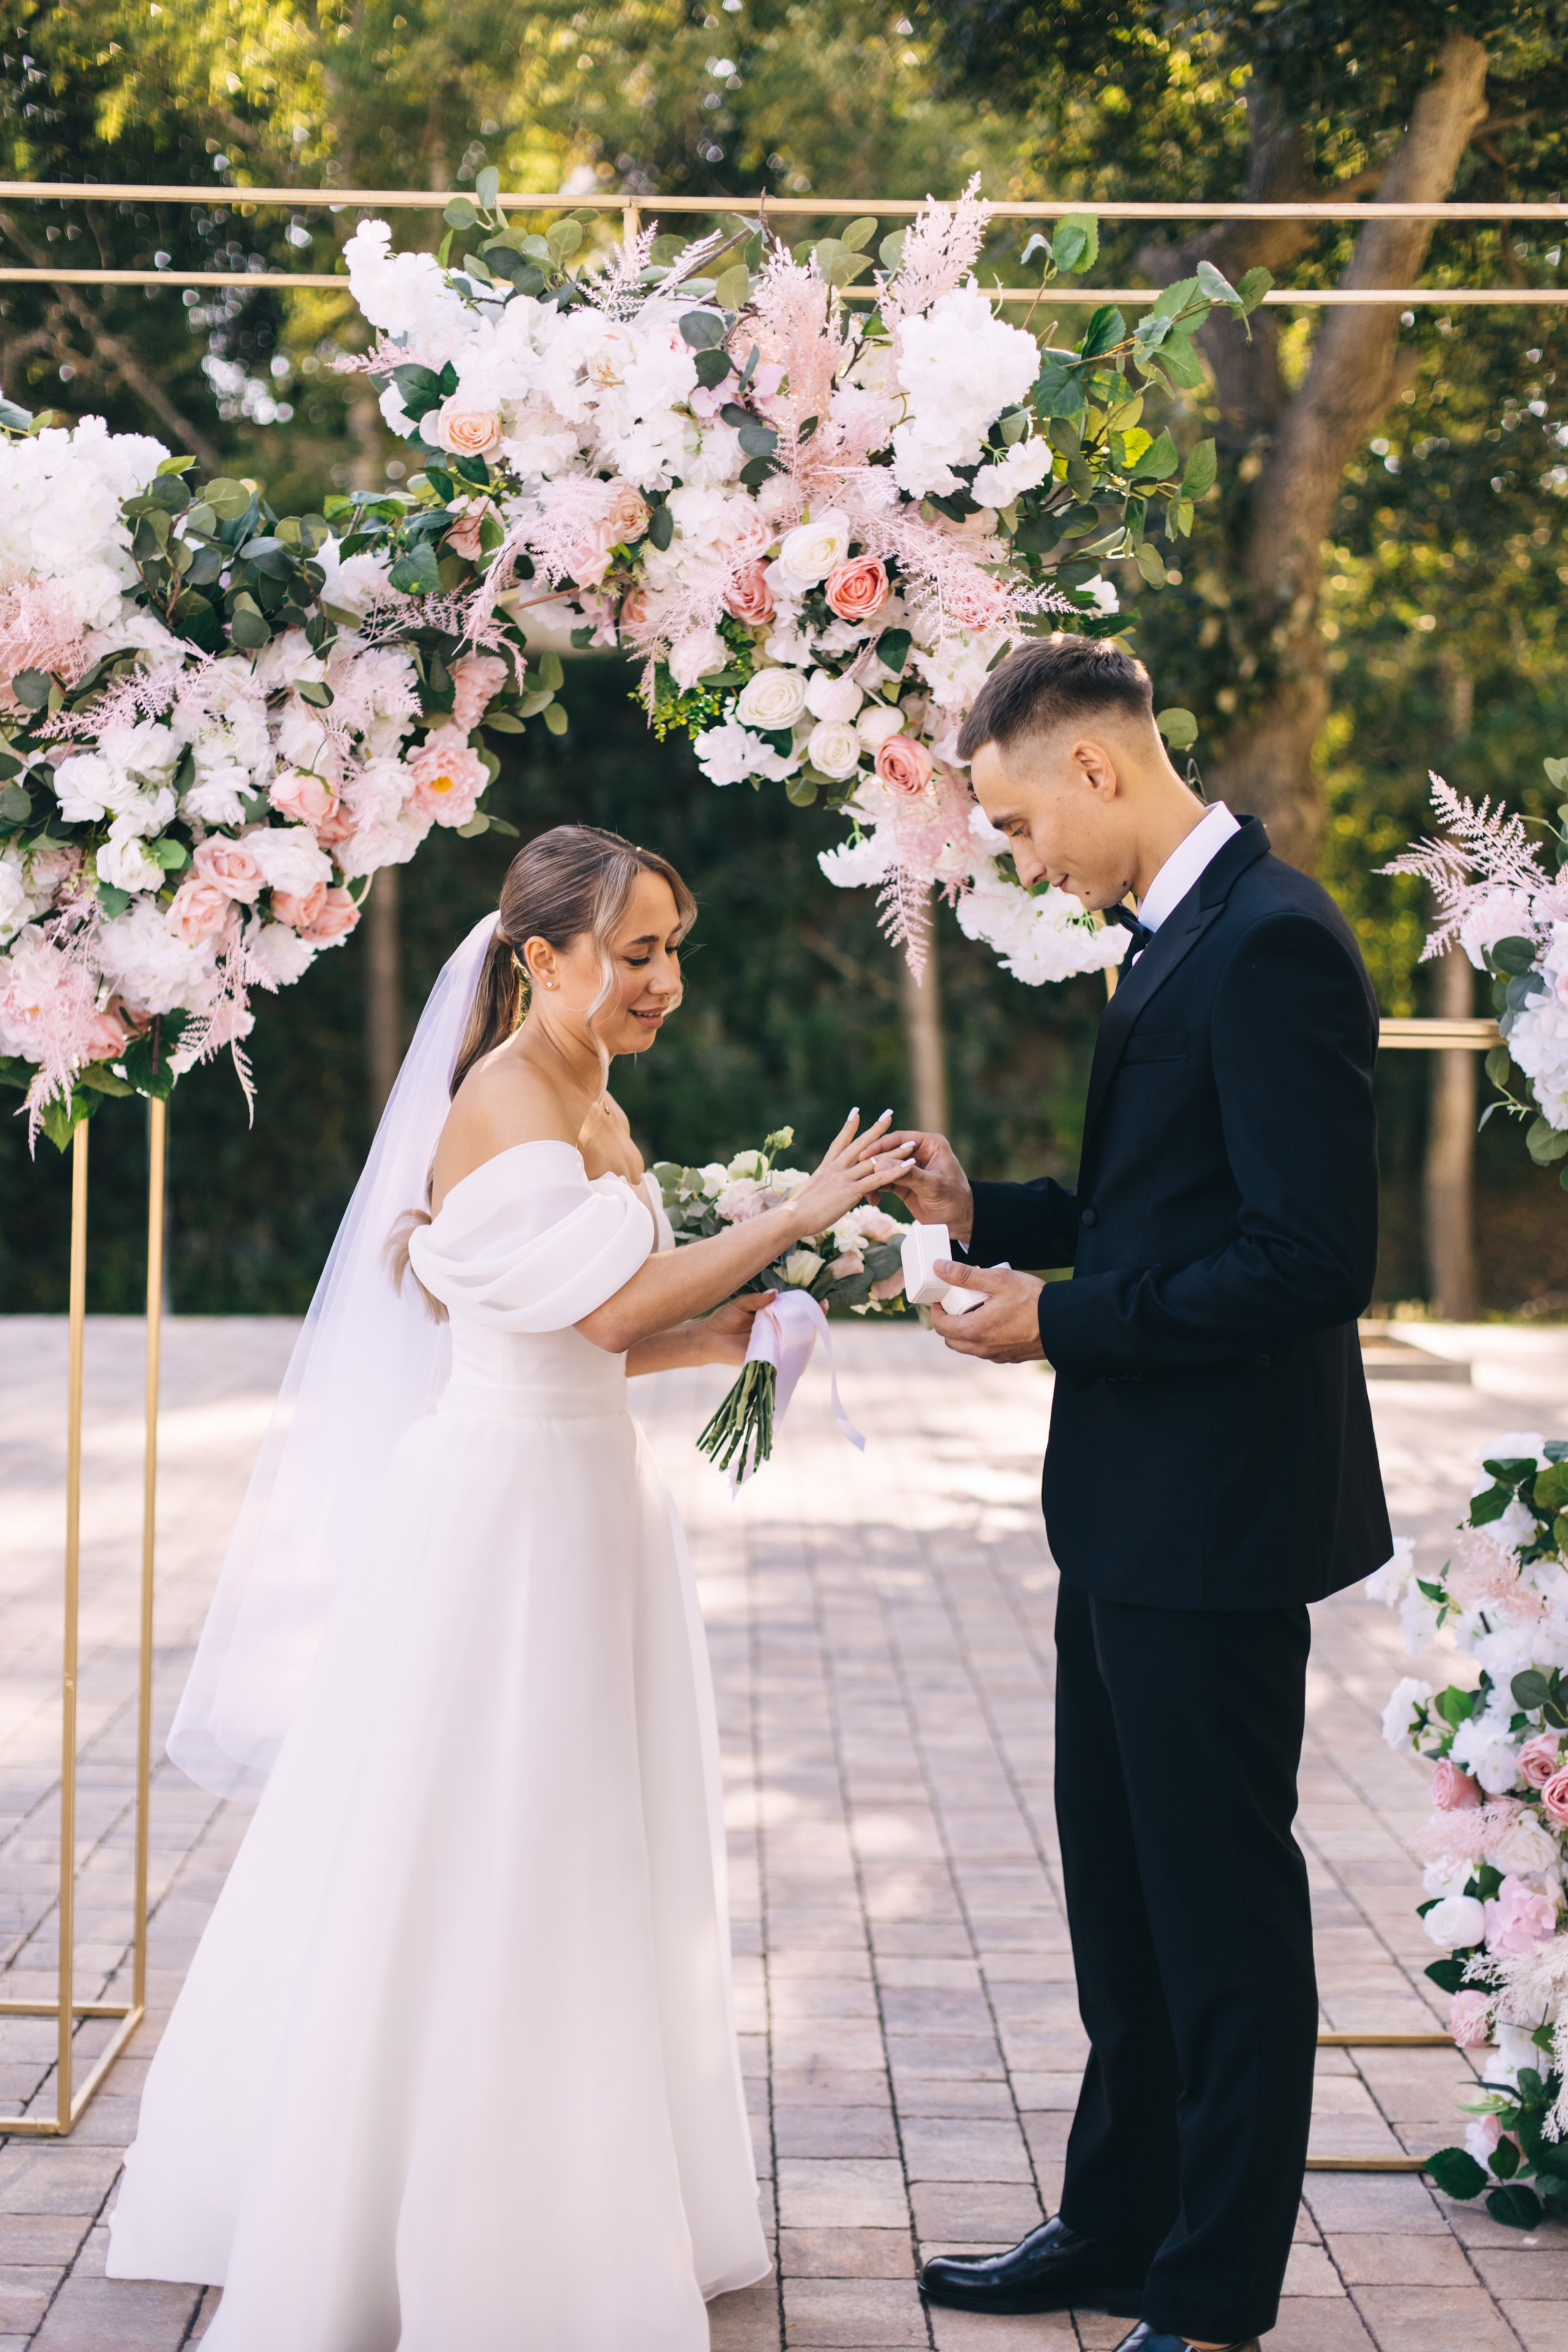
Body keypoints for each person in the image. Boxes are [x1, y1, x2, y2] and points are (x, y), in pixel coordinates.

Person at [106, 823, 914, 2351]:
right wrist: (793, 1218)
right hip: (502, 1524)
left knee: (580, 1843)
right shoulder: (503, 1100)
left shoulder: (595, 1096)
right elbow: (606, 1314)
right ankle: (459, 2220)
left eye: (673, 949)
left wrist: (752, 1327)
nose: (661, 981)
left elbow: (606, 1333)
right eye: (634, 953)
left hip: (586, 1497)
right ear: (539, 958)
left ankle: (576, 2184)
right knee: (496, 1841)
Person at [886, 639, 1390, 2352]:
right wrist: (1002, 1218)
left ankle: (1212, 2287)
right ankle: (1112, 2230)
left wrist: (1066, 1323)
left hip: (1222, 1517)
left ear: (1095, 769)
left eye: (1021, 825)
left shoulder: (1276, 948)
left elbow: (1310, 1260)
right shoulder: (1172, 939)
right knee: (1121, 1898)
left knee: (1222, 1913)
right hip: (1128, 1511)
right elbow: (1171, 1206)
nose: (1023, 863)